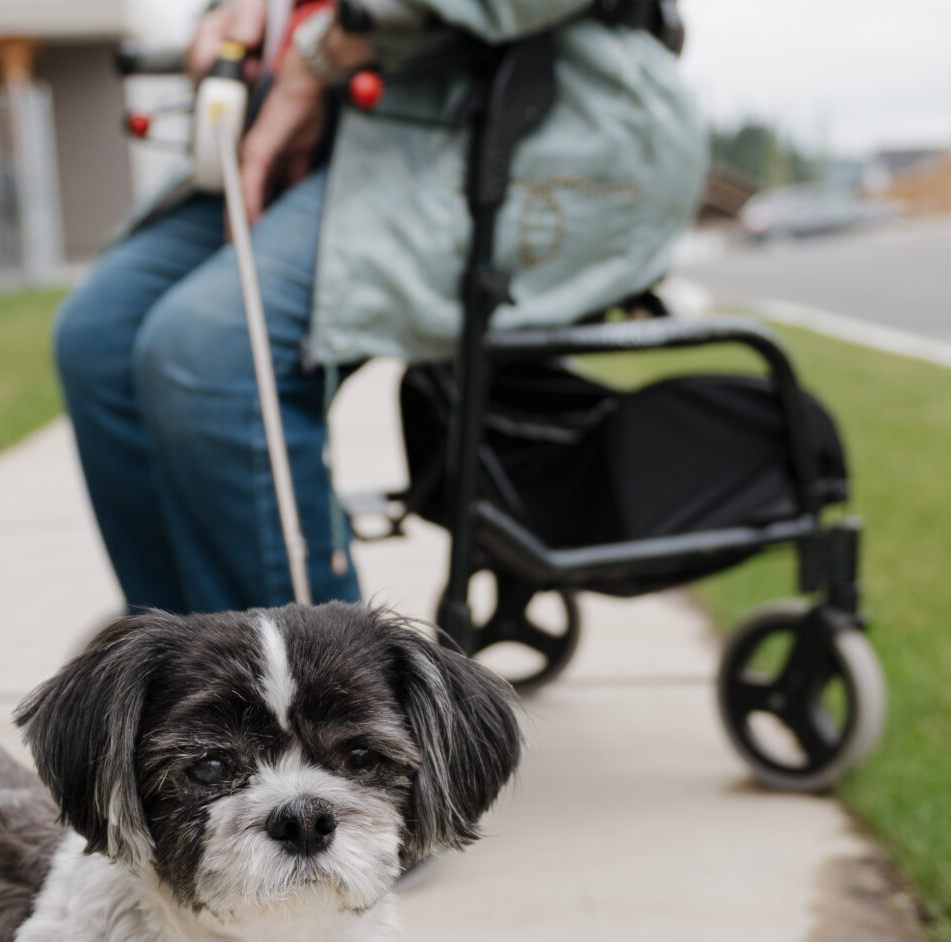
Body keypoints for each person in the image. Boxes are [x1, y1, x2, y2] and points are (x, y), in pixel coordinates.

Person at [51, 0, 704, 616]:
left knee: (213, 352)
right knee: (99, 335)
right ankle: (191, 671)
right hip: (325, 115)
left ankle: (327, 702)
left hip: (499, 115)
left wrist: (319, 53)